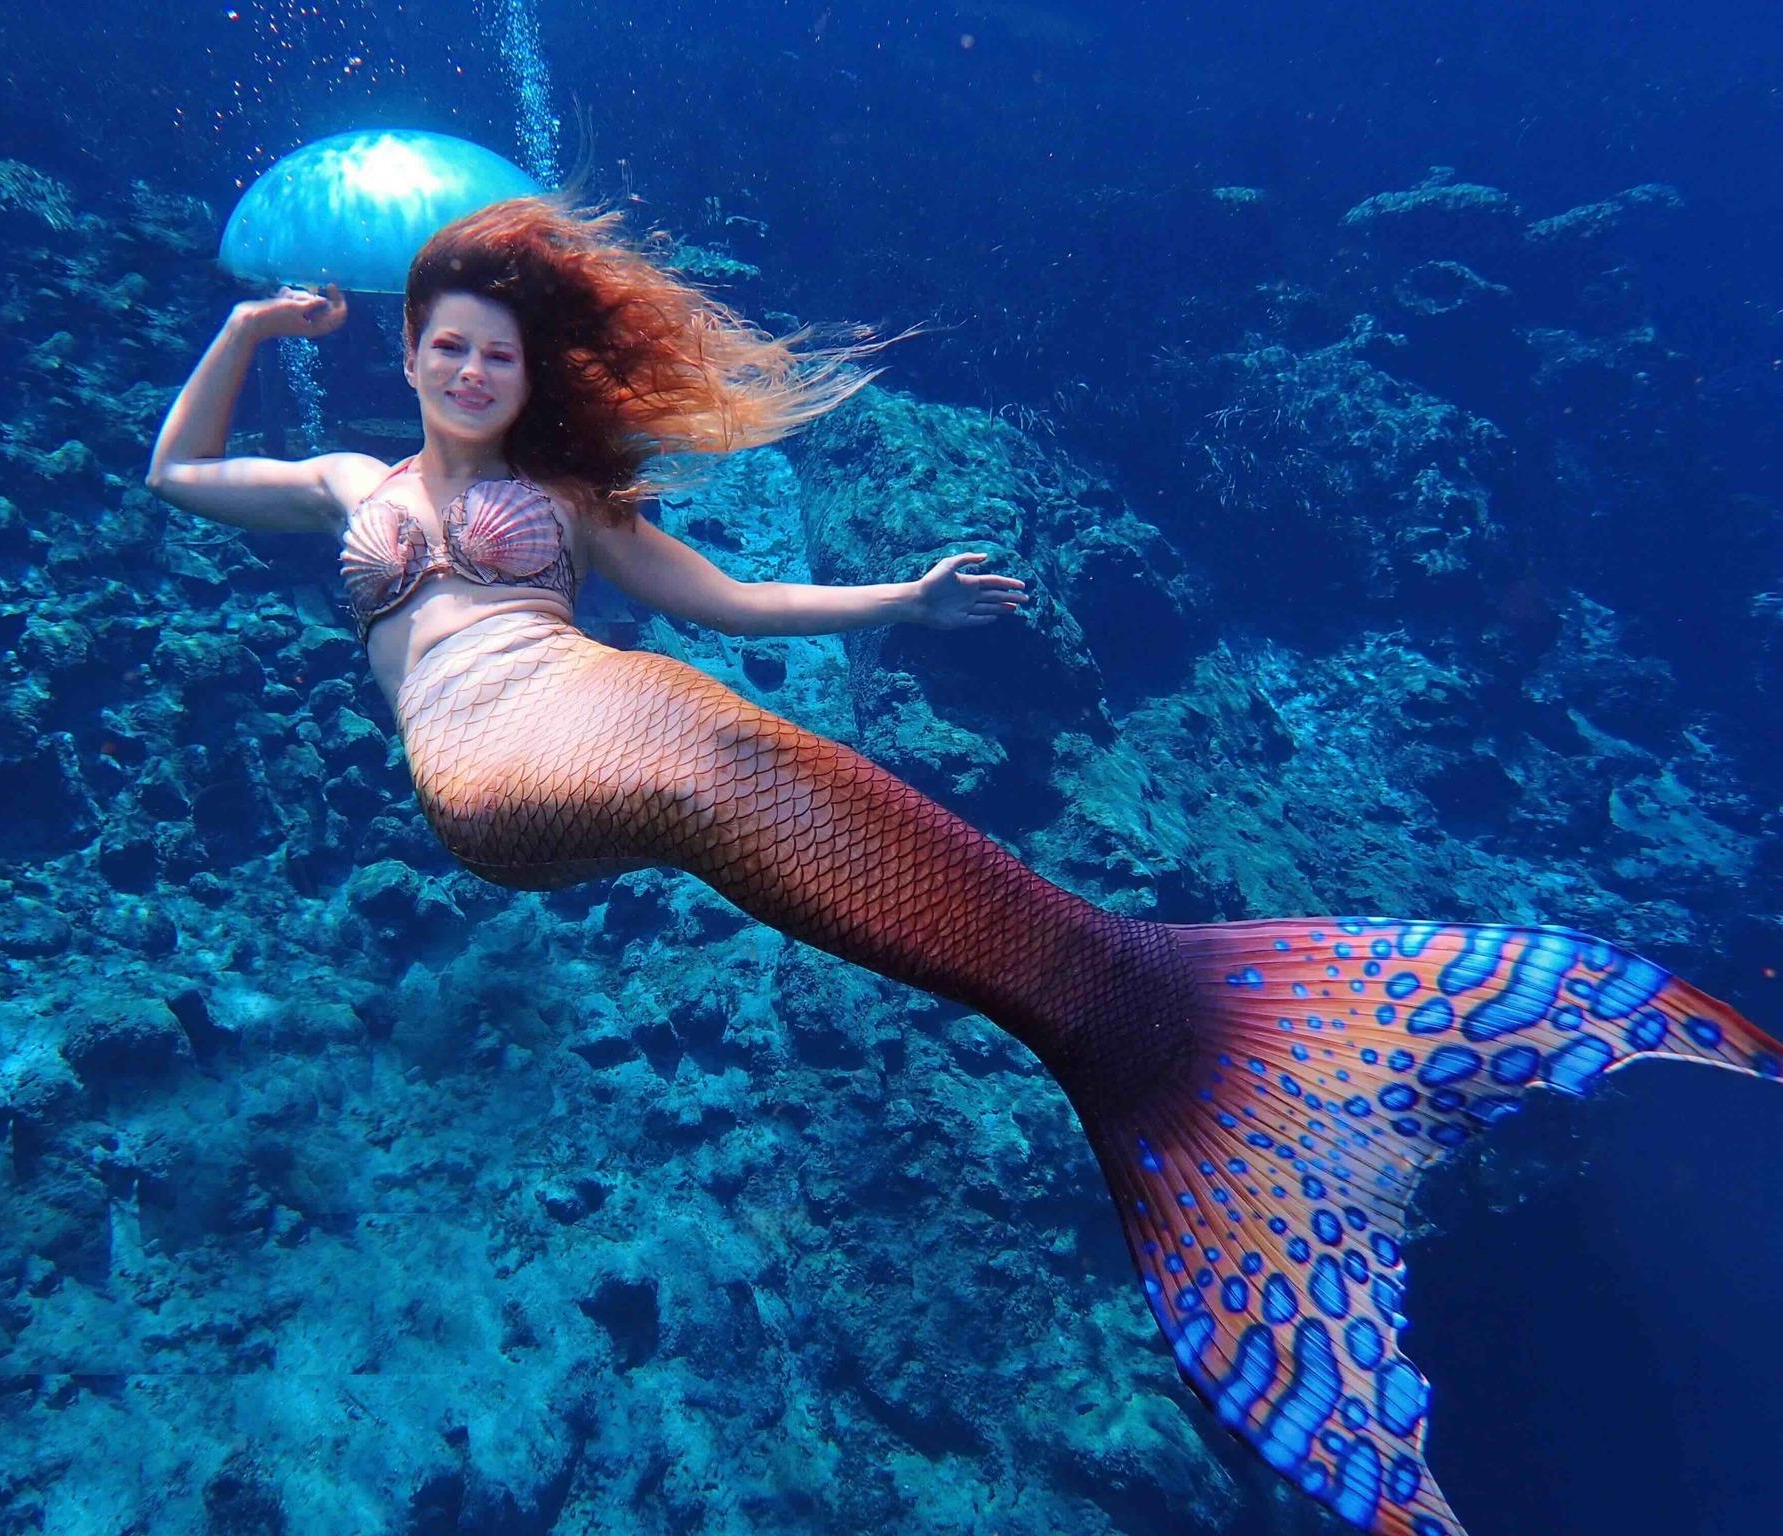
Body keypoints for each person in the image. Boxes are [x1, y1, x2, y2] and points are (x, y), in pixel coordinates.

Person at [148, 196, 1780, 1536]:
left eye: (497, 353)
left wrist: (896, 604)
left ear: (529, 371)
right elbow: (172, 475)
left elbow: (732, 604)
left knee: (716, 733)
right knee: (705, 749)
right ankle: (1145, 1019)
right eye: (444, 345)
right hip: (479, 765)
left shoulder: (573, 498)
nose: (466, 371)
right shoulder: (344, 484)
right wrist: (247, 334)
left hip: (604, 710)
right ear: (414, 352)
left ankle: (1137, 1020)